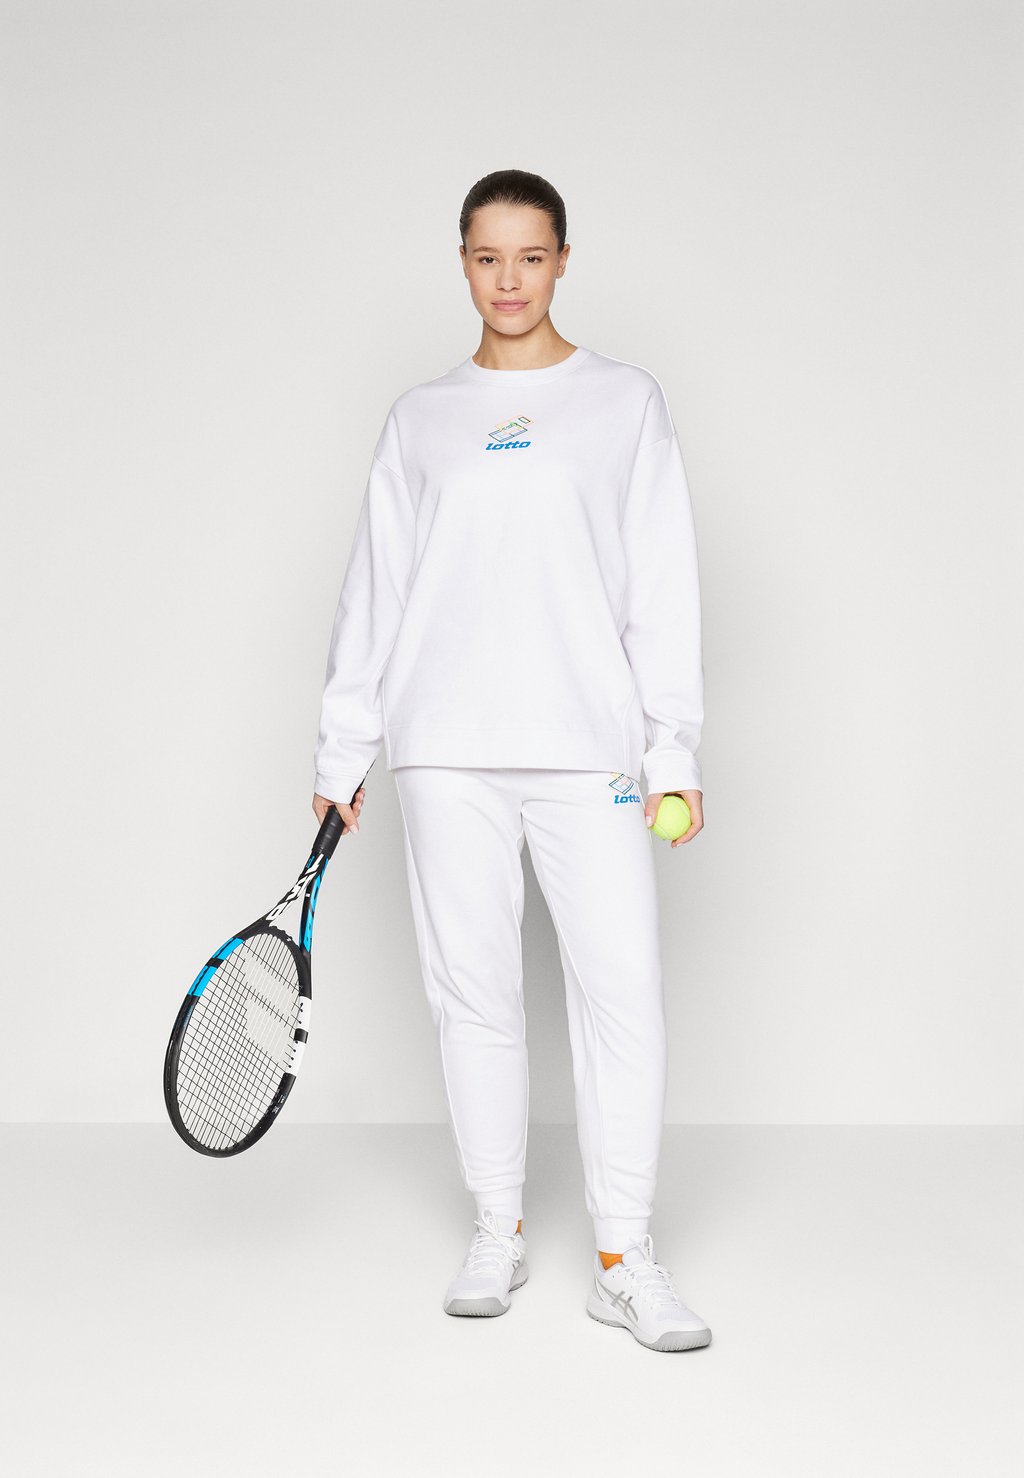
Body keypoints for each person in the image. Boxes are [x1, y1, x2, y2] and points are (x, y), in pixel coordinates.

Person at [312, 169, 711, 1353]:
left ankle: (622, 1256)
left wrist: (671, 748)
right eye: (487, 256)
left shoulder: (625, 402)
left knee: (622, 992)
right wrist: (344, 746)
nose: (508, 279)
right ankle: (498, 1226)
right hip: (444, 750)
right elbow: (375, 593)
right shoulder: (420, 418)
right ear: (462, 261)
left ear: (562, 260)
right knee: (472, 995)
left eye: (529, 256)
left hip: (589, 747)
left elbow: (662, 586)